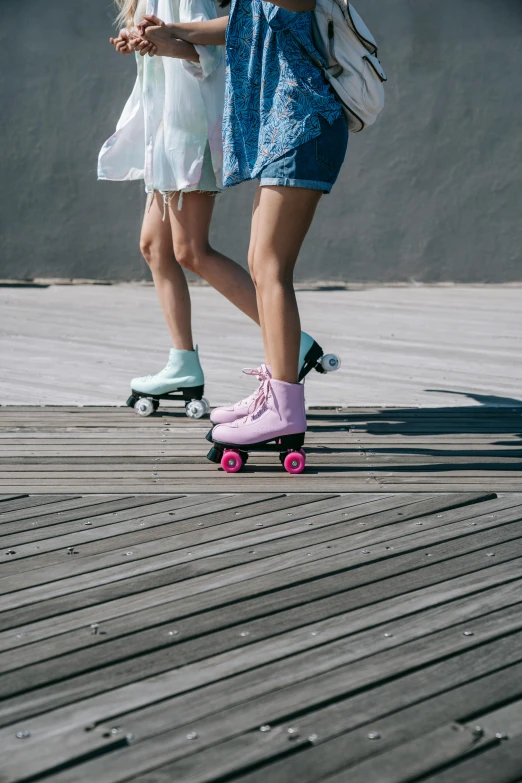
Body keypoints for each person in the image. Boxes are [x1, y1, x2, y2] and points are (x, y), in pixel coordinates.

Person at [137, 0, 347, 444]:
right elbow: (236, 25)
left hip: (302, 121)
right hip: (281, 129)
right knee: (259, 262)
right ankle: (275, 395)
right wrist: (172, 30)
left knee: (270, 267)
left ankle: (285, 410)